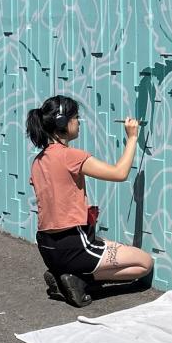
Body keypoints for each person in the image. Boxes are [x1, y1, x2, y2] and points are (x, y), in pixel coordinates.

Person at [27, 95, 153, 307]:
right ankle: (80, 280)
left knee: (109, 245)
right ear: (62, 122)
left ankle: (64, 275)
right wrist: (132, 138)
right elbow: (119, 173)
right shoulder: (70, 156)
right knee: (144, 263)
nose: (79, 122)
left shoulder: (38, 161)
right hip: (74, 244)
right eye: (76, 117)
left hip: (48, 247)